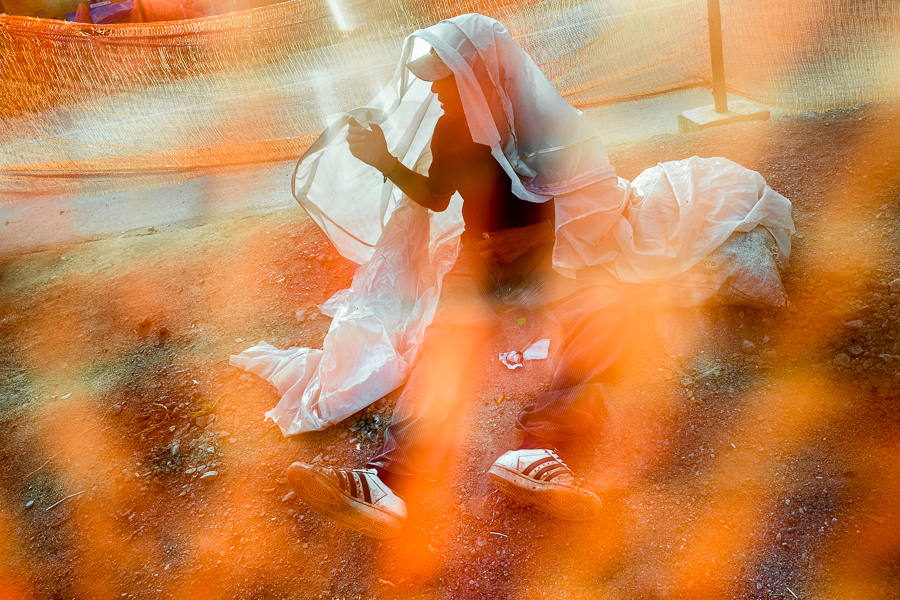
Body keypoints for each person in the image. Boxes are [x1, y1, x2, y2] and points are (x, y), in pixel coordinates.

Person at [285, 38, 635, 540]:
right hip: (478, 264)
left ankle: (538, 451)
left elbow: (598, 197)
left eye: (447, 81)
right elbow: (434, 194)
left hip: (551, 262)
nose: (437, 90)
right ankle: (388, 480)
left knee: (609, 309)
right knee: (446, 342)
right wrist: (383, 159)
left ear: (483, 80)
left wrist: (536, 235)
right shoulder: (451, 131)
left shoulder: (543, 125)